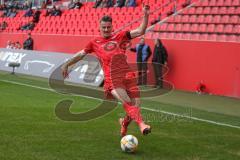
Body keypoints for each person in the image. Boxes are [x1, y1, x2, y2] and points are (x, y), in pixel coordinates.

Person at [61, 5, 151, 137]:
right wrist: (66, 65)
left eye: (108, 27)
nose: (106, 29)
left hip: (127, 75)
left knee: (135, 106)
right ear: (100, 27)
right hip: (111, 79)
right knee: (127, 101)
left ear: (112, 26)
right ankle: (142, 124)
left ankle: (124, 124)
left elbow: (140, 31)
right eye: (103, 27)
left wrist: (146, 15)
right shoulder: (94, 42)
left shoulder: (120, 36)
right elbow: (81, 54)